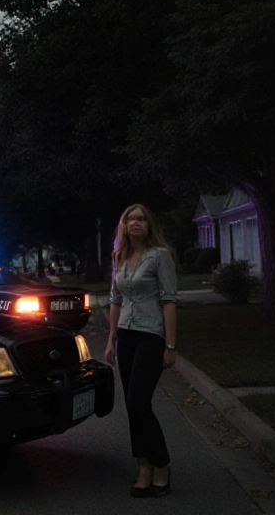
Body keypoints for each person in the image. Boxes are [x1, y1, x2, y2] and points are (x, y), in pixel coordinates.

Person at [104, 203, 178, 498]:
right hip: (126, 337)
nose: (136, 223)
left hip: (151, 336)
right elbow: (114, 300)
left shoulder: (159, 256)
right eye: (130, 219)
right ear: (123, 226)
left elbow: (169, 301)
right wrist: (111, 339)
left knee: (139, 402)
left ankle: (161, 465)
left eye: (141, 219)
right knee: (132, 406)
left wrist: (170, 346)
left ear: (149, 226)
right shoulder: (119, 257)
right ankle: (143, 466)